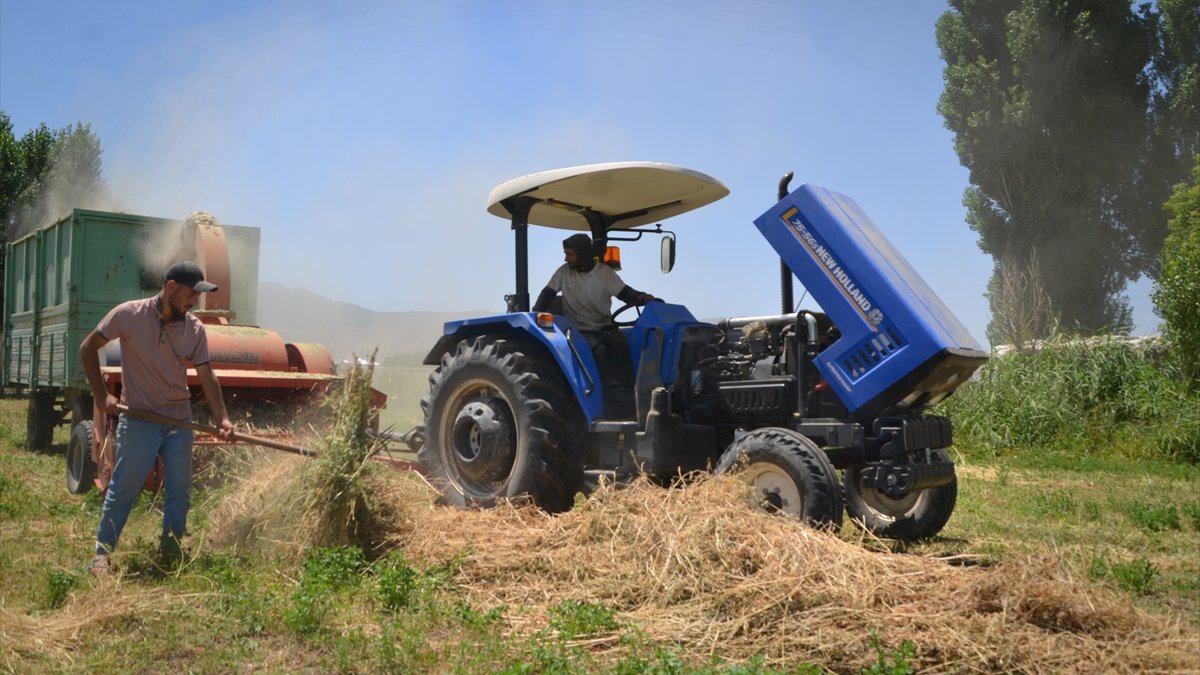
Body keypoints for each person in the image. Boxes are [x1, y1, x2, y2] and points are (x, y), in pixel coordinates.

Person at [80, 261, 234, 573]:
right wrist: (100, 394)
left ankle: (170, 550)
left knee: (179, 489)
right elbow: (88, 347)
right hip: (140, 420)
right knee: (125, 487)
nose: (195, 302)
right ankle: (101, 555)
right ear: (171, 287)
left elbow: (207, 376)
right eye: (192, 294)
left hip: (178, 421)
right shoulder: (129, 315)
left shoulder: (194, 329)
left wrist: (223, 418)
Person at [533, 233, 656, 419]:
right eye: (566, 254)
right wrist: (535, 313)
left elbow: (625, 293)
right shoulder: (564, 272)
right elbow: (547, 295)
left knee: (624, 346)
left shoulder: (604, 273)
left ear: (582, 254)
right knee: (597, 353)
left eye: (570, 254)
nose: (566, 258)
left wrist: (640, 297)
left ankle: (630, 395)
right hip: (578, 331)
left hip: (604, 327)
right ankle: (603, 402)